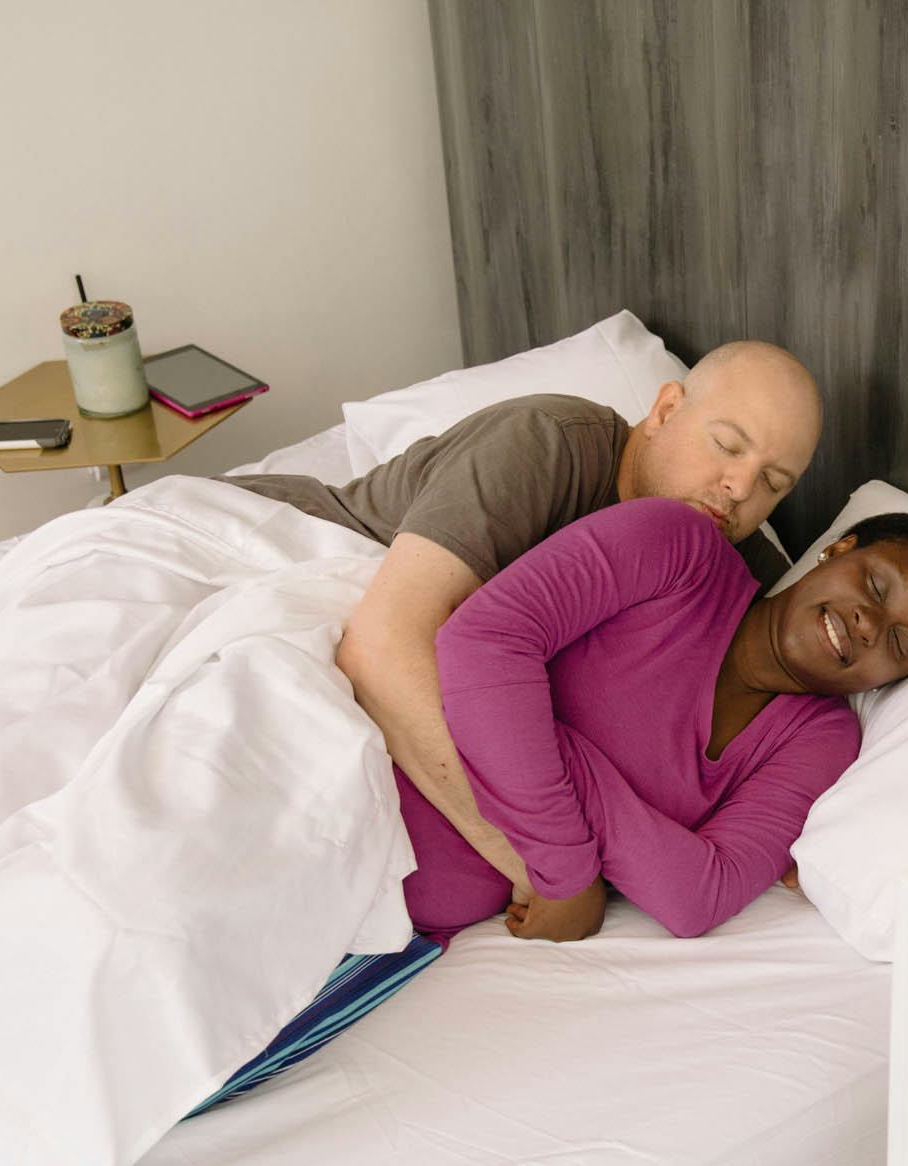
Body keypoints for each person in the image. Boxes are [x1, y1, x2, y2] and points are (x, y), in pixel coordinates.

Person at [189, 498, 908, 1114]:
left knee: (170, 1088)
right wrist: (567, 867)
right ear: (839, 547)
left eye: (899, 643)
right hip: (322, 781)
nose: (868, 624)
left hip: (382, 936)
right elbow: (480, 642)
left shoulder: (817, 741)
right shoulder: (678, 549)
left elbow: (697, 894)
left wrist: (544, 728)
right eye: (875, 584)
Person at [230, 342, 822, 896]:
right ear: (665, 410)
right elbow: (379, 647)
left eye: (774, 482)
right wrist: (535, 864)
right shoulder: (545, 444)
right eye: (727, 445)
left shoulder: (736, 558)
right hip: (265, 542)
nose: (740, 488)